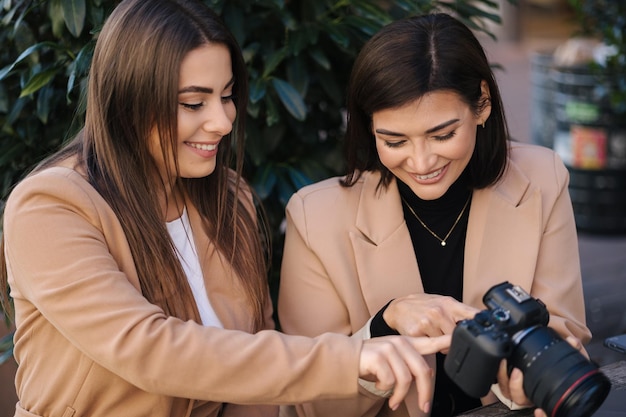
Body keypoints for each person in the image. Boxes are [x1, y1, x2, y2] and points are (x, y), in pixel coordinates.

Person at [0, 2, 451, 416]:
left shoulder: (227, 198)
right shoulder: (51, 207)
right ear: (128, 102)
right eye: (193, 103)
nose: (222, 121)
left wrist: (375, 339)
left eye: (228, 95)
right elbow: (150, 349)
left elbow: (254, 365)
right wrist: (350, 357)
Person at [278, 12, 591, 417]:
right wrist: (383, 327)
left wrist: (524, 386)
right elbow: (313, 401)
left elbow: (564, 335)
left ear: (482, 103)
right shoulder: (314, 216)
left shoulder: (541, 179)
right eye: (394, 141)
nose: (421, 162)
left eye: (442, 135)